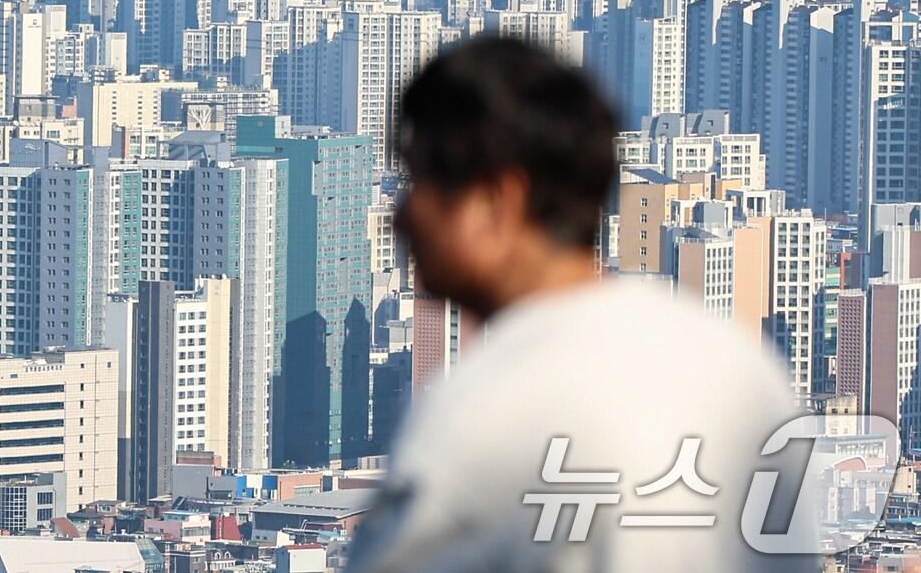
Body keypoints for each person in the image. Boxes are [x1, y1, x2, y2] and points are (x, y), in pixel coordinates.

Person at [346, 35, 816, 573]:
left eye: (419, 181)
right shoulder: (744, 372)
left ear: (499, 201)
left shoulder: (481, 416)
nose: (399, 216)